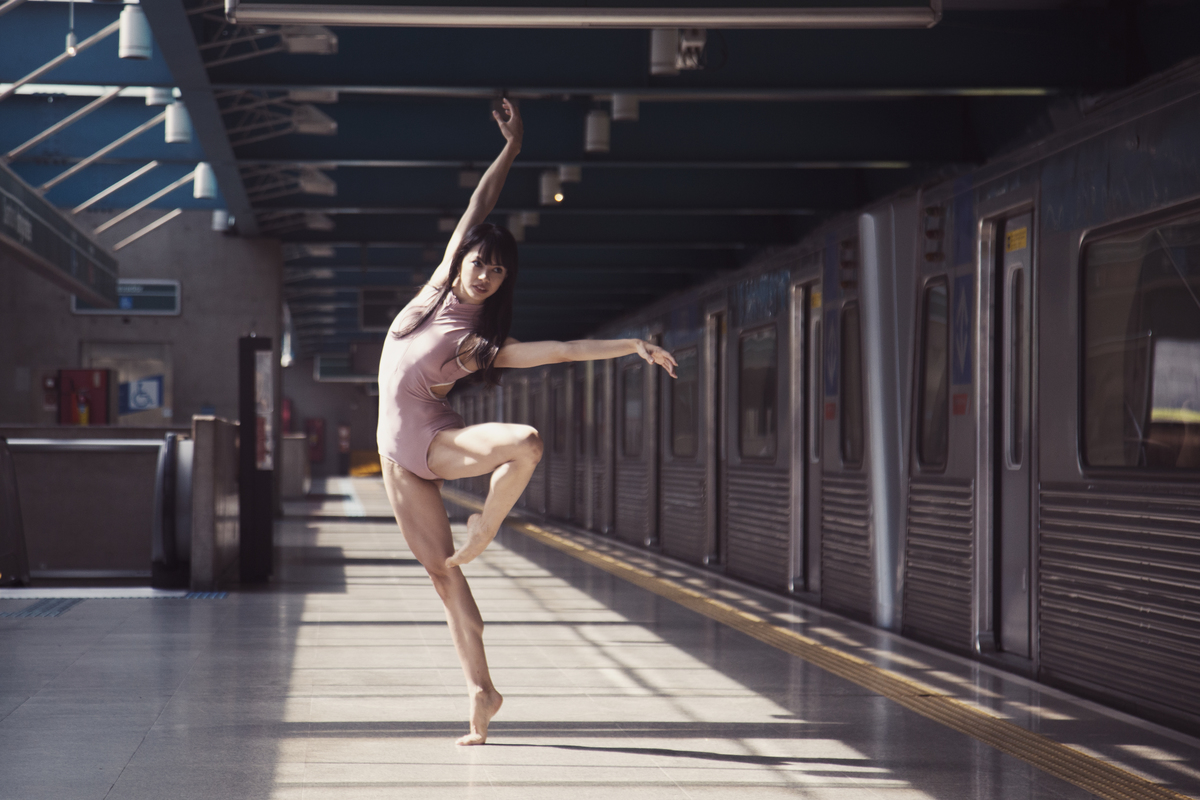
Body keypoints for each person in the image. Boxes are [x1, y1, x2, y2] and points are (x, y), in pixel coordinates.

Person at [377, 98, 678, 746]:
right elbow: (477, 209)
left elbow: (564, 350)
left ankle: (486, 523)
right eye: (480, 263)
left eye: (496, 271)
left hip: (438, 441)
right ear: (461, 262)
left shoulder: (476, 342)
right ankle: (482, 691)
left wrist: (632, 346)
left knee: (525, 442)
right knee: (442, 577)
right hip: (398, 459)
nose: (485, 275)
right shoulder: (434, 291)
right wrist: (511, 149)